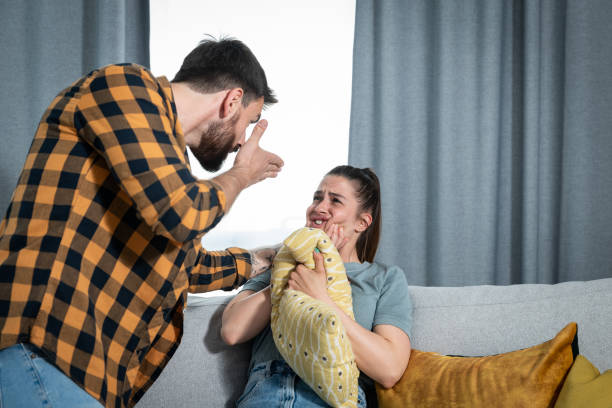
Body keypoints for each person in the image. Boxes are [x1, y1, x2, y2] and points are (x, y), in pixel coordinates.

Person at [0, 38, 283, 408]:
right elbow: (182, 214)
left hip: (88, 378)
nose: (242, 141)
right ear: (231, 101)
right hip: (44, 351)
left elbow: (185, 264)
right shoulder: (125, 87)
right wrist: (242, 175)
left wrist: (263, 260)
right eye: (248, 123)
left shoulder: (165, 164)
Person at [221, 166, 413, 407]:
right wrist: (297, 268)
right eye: (317, 198)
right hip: (268, 391)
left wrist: (322, 299)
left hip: (333, 398)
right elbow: (232, 331)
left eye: (335, 201)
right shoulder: (281, 263)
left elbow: (389, 369)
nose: (319, 207)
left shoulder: (383, 278)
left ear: (362, 223)